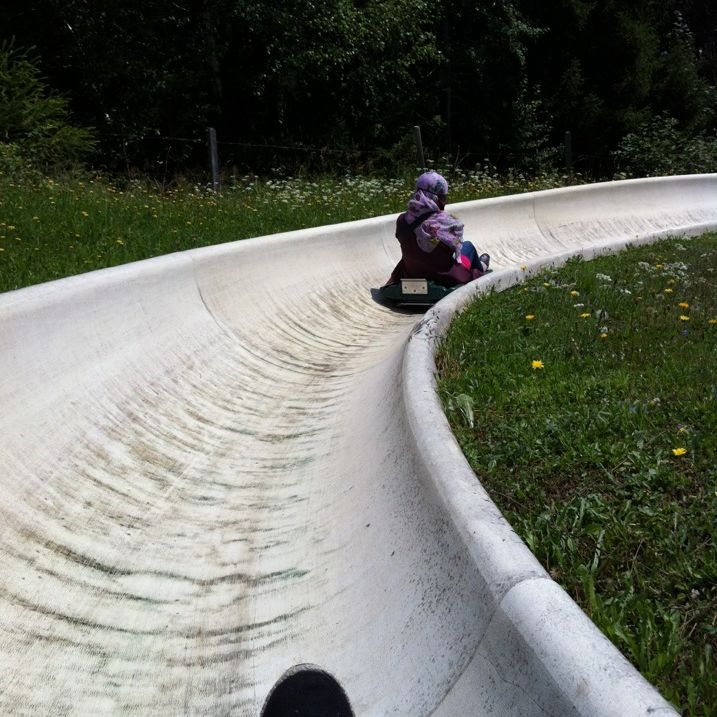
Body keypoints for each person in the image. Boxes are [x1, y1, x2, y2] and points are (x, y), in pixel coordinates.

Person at [387, 171, 489, 287]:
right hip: (445, 277)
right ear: (437, 198)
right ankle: (481, 269)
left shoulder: (402, 221)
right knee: (467, 246)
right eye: (444, 198)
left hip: (412, 273)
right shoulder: (450, 223)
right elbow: (457, 247)